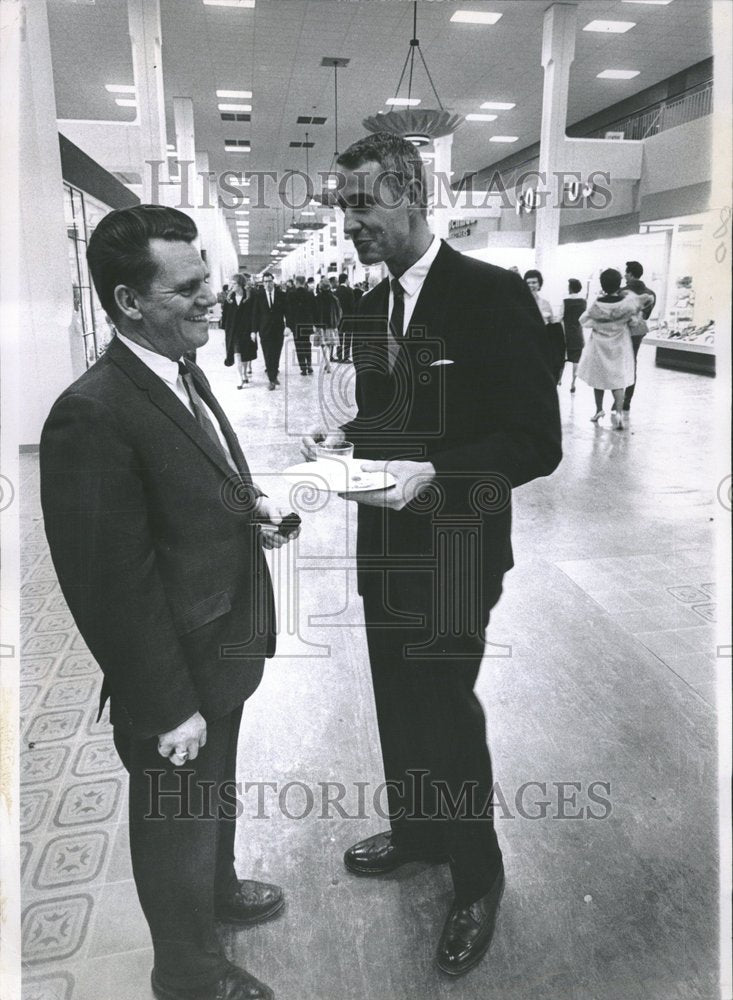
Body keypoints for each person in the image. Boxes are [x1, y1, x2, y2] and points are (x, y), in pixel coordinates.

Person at [302, 132, 561, 977]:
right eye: (341, 205)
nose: (350, 221)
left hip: (455, 546)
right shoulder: (368, 307)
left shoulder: (487, 296)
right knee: (395, 693)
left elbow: (534, 439)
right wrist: (341, 432)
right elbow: (377, 415)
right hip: (384, 537)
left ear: (412, 195)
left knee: (444, 706)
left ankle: (476, 876)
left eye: (363, 202)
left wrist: (437, 473)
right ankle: (417, 830)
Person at [39, 205, 299, 1000]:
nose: (210, 301)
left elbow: (193, 483)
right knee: (172, 819)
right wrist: (163, 705)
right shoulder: (93, 411)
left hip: (221, 644)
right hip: (173, 669)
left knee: (209, 793)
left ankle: (215, 893)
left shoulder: (178, 371)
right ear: (128, 302)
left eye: (208, 282)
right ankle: (188, 975)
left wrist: (248, 508)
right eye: (187, 289)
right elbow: (107, 582)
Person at [577, 267, 639, 430]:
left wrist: (598, 324)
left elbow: (583, 320)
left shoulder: (597, 304)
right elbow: (634, 322)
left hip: (599, 346)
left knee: (598, 378)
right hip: (619, 346)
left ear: (603, 285)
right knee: (618, 380)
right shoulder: (626, 304)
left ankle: (599, 410)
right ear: (619, 284)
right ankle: (618, 413)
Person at [621, 260, 656, 412]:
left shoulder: (622, 291)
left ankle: (618, 397)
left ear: (630, 274)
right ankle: (627, 400)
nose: (624, 275)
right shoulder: (650, 293)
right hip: (639, 330)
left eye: (626, 272)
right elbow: (646, 316)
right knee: (632, 362)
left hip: (623, 330)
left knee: (619, 362)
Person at [523, 269, 565, 384]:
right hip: (526, 345)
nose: (531, 285)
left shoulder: (545, 303)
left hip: (542, 346)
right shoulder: (520, 303)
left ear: (539, 284)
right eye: (528, 283)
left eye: (534, 282)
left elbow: (552, 326)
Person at [252, 271, 288, 390]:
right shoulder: (258, 296)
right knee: (267, 354)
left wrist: (288, 326)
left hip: (278, 330)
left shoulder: (281, 295)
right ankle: (272, 379)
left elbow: (288, 312)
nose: (268, 284)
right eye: (265, 282)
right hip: (265, 330)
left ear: (274, 282)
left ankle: (274, 372)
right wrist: (253, 331)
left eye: (270, 281)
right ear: (263, 283)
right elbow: (255, 314)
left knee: (276, 353)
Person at [224, 272, 257, 387]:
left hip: (246, 331)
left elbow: (254, 315)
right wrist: (225, 334)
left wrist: (253, 331)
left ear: (241, 284)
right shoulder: (229, 299)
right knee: (237, 354)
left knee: (246, 355)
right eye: (231, 283)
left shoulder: (249, 298)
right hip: (234, 332)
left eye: (235, 284)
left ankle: (244, 373)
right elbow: (225, 318)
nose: (232, 286)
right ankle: (239, 378)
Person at [286, 274, 316, 375]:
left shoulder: (291, 294)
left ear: (296, 282)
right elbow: (313, 310)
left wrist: (289, 325)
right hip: (307, 324)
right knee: (307, 344)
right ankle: (309, 365)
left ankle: (303, 368)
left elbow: (289, 312)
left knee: (299, 346)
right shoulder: (310, 294)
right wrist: (314, 323)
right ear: (304, 282)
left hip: (296, 324)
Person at [561, 278, 587, 393]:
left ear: (571, 287)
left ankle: (559, 380)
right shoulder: (583, 302)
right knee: (576, 361)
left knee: (562, 359)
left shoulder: (565, 301)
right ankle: (573, 383)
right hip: (578, 334)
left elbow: (560, 316)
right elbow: (584, 319)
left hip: (566, 334)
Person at [312, 276, 342, 372]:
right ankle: (328, 362)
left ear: (320, 287)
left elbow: (314, 313)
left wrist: (314, 324)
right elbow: (339, 312)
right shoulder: (334, 298)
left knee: (323, 345)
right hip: (332, 325)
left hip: (320, 325)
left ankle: (328, 364)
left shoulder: (317, 299)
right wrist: (336, 322)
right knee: (329, 344)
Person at [334, 272, 356, 362]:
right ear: (346, 280)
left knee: (339, 336)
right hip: (348, 317)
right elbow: (352, 305)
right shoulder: (350, 291)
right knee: (347, 337)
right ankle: (346, 357)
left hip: (338, 317)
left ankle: (339, 356)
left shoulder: (336, 292)